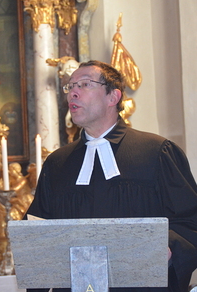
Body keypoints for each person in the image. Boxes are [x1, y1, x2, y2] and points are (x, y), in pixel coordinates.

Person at [25, 60, 197, 292]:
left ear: (113, 97)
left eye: (84, 84)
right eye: (70, 86)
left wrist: (169, 247)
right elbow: (38, 233)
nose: (72, 93)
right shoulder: (57, 163)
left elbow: (190, 221)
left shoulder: (157, 152)